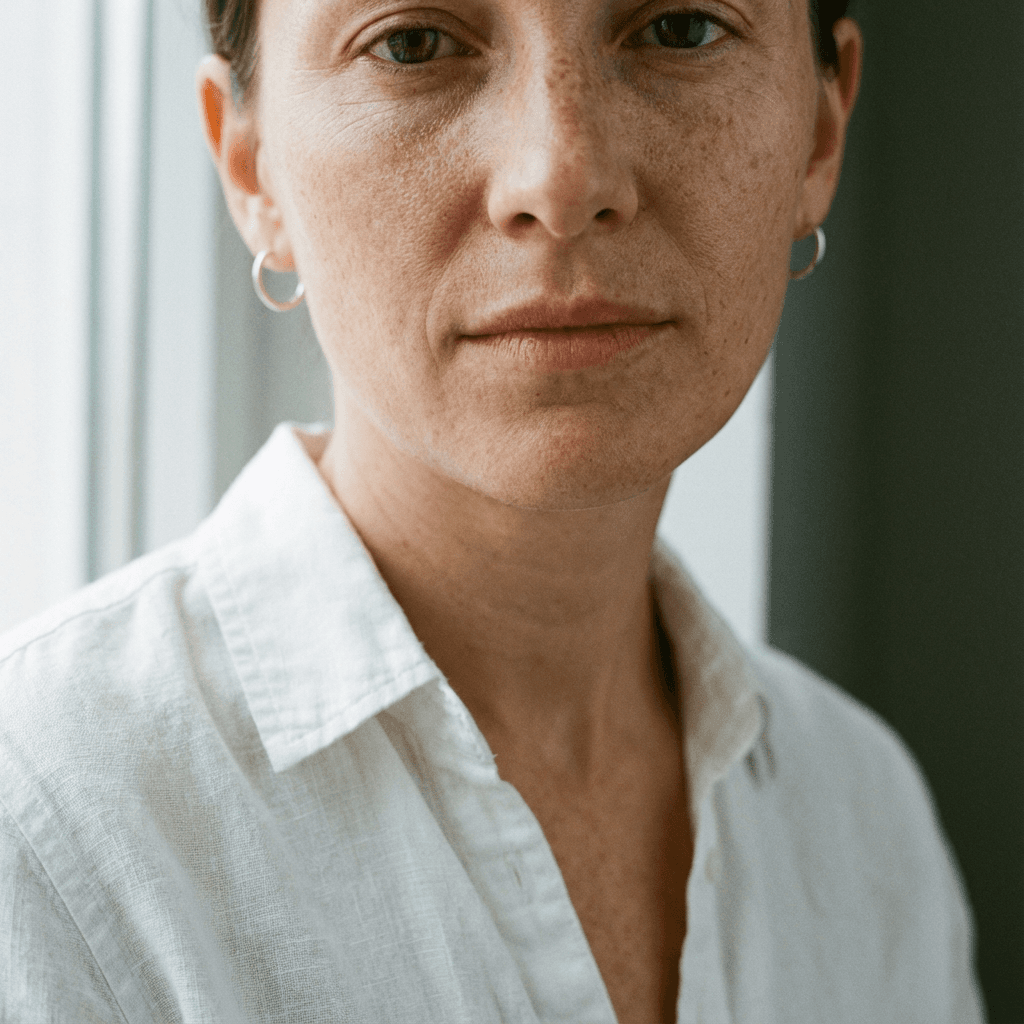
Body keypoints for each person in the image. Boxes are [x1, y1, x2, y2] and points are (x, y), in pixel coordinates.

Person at [0, 0, 986, 1020]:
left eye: (680, 29)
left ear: (819, 132)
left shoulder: (863, 823)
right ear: (251, 165)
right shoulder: (45, 831)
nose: (560, 179)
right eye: (413, 43)